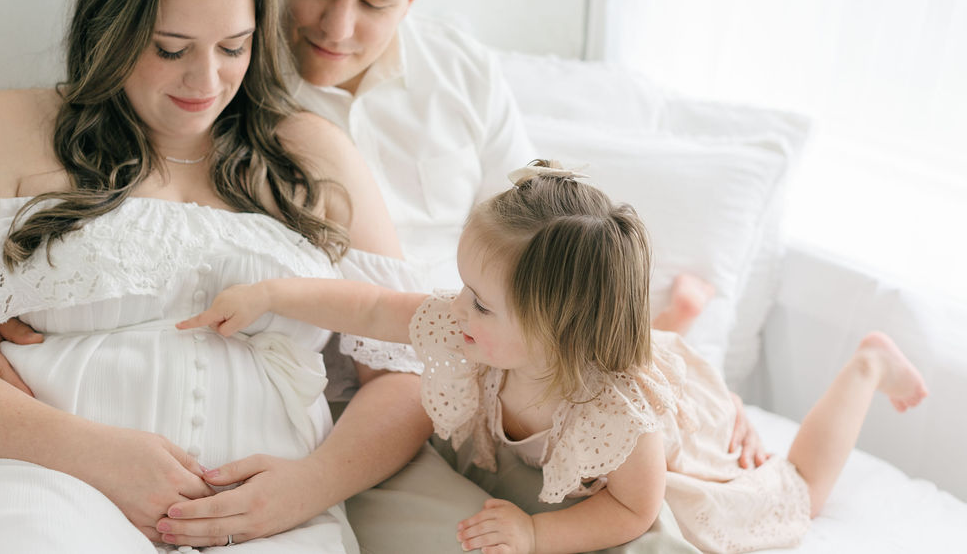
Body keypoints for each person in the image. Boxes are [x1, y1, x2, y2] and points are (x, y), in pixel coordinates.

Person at [0, 0, 429, 552]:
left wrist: (309, 485)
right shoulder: (9, 130)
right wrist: (91, 453)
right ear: (110, 25)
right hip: (48, 488)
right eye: (170, 48)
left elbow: (406, 373)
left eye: (233, 47)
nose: (205, 83)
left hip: (272, 518)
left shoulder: (313, 155)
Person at [178, 160, 930, 554]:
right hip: (607, 353)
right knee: (651, 347)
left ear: (556, 335)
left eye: (478, 299)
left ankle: (866, 363)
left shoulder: (617, 418)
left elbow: (635, 507)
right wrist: (274, 290)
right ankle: (678, 318)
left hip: (665, 424)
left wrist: (539, 533)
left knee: (796, 494)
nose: (454, 306)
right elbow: (375, 307)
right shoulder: (482, 330)